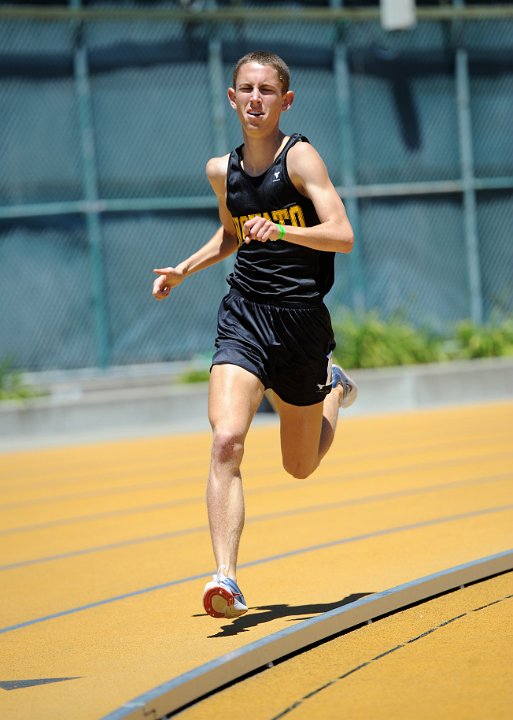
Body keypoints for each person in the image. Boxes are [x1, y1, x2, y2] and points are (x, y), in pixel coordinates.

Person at [152, 51, 357, 620]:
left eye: (268, 90)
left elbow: (342, 234)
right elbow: (231, 233)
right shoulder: (223, 170)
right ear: (232, 97)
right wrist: (183, 270)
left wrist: (288, 232)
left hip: (300, 321)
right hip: (243, 313)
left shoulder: (300, 159)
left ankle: (333, 388)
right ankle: (226, 578)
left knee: (300, 465)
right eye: (246, 89)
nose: (256, 99)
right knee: (226, 440)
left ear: (285, 101)